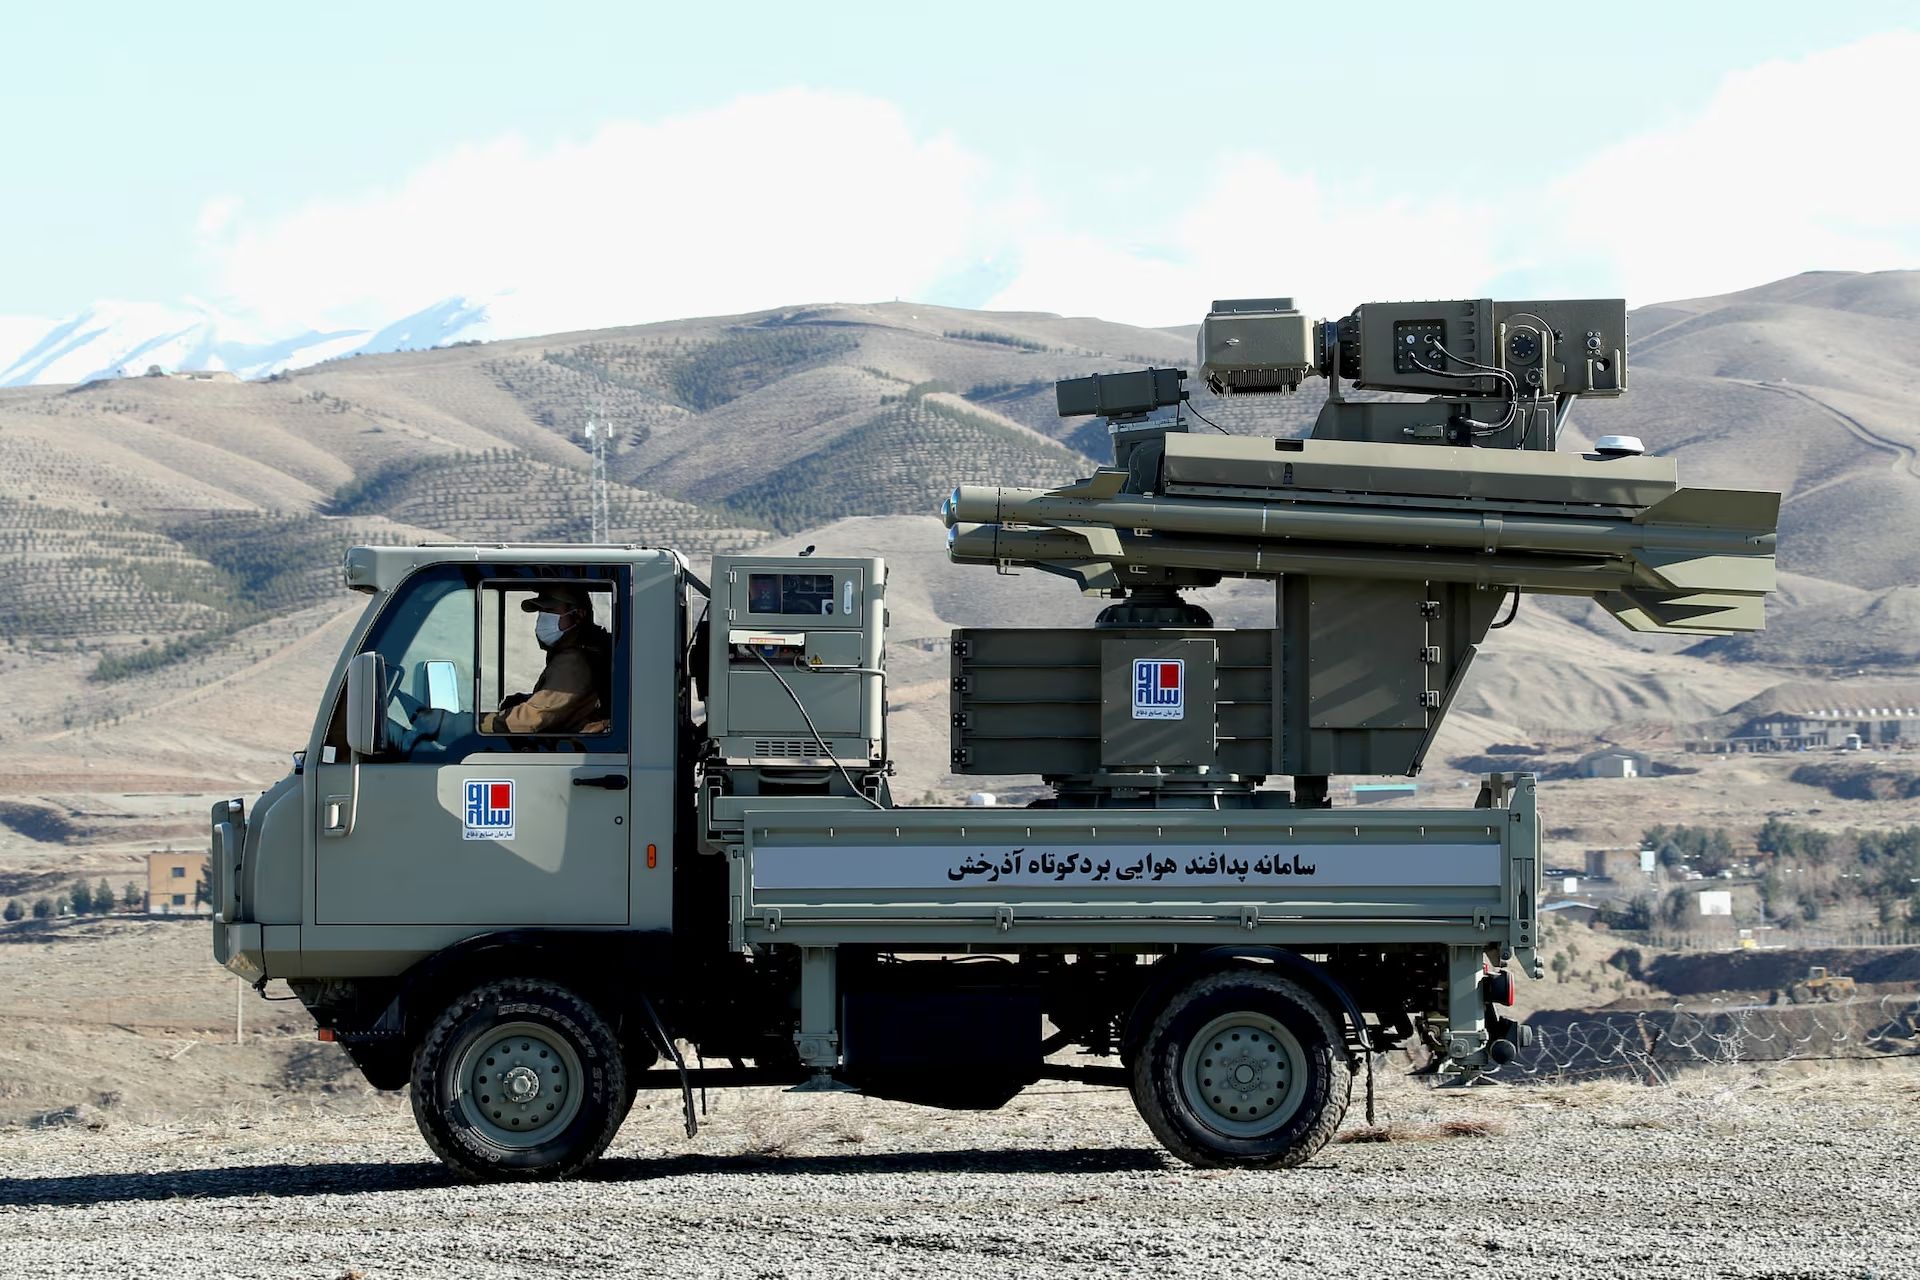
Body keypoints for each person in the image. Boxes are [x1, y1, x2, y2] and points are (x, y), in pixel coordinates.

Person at [479, 584, 612, 735]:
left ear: (579, 614)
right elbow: (564, 703)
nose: (542, 618)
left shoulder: (574, 661)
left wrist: (477, 723)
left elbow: (533, 719)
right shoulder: (575, 653)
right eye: (541, 611)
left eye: (550, 611)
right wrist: (525, 699)